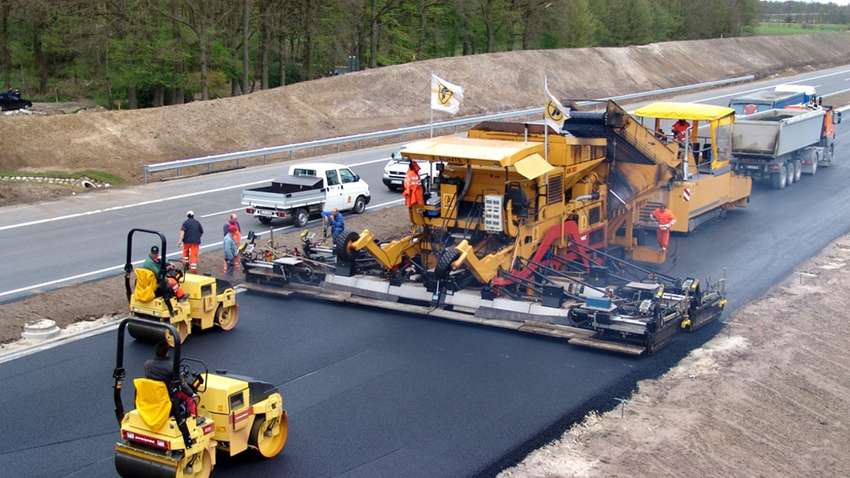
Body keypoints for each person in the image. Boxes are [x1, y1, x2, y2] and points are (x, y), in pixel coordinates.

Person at [144, 341, 196, 447]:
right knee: (191, 399)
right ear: (167, 353)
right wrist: (192, 393)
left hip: (154, 395)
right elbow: (182, 384)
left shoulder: (147, 365)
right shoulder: (171, 367)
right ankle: (194, 421)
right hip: (169, 395)